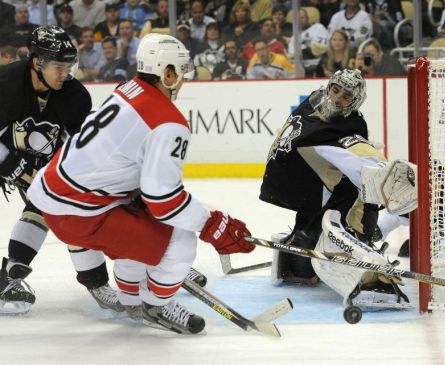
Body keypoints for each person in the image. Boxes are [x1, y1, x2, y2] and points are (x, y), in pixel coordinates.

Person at [27, 34, 255, 334]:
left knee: (139, 225)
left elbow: (127, 161)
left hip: (54, 195)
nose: (184, 79)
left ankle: (131, 298)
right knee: (180, 240)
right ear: (167, 73)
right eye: (181, 72)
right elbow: (164, 201)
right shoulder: (168, 121)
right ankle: (156, 306)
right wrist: (212, 223)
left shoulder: (128, 88)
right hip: (81, 214)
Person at [260, 68, 417, 308]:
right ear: (328, 87)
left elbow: (377, 172)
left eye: (346, 96)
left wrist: (403, 198)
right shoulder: (314, 107)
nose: (337, 98)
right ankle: (380, 228)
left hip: (347, 205)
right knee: (301, 262)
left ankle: (376, 259)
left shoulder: (345, 130)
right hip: (317, 197)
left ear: (355, 102)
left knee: (347, 224)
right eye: (336, 90)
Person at [0, 26, 123, 315]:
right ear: (36, 63)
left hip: (42, 161)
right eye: (58, 66)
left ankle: (12, 274)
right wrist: (11, 165)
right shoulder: (5, 83)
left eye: (69, 66)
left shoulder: (75, 97)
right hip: (6, 152)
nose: (65, 73)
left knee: (63, 210)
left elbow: (81, 147)